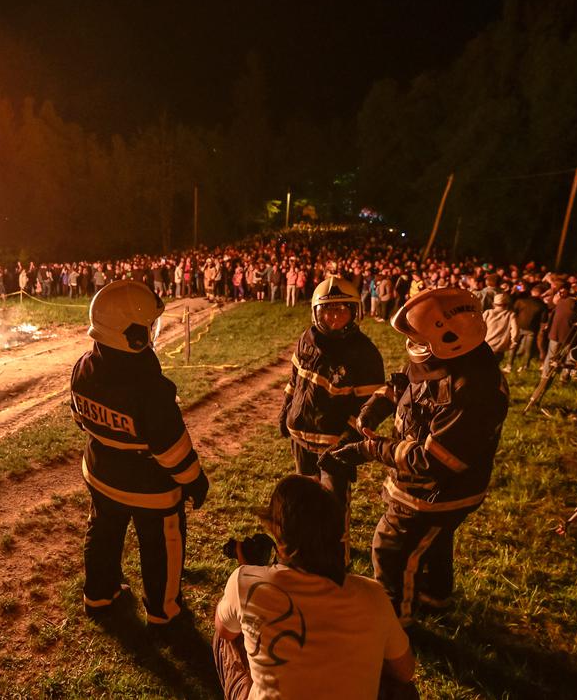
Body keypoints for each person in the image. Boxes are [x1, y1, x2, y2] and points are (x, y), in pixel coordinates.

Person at [322, 287, 510, 625]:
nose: (416, 348)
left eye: (422, 341)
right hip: (435, 490)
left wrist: (368, 449)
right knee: (433, 542)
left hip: (435, 493)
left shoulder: (472, 389)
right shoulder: (447, 359)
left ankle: (394, 625)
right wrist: (373, 408)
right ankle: (434, 598)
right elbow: (406, 385)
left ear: (452, 337)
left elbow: (432, 460)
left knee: (390, 549)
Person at [70, 280, 209, 626]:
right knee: (161, 547)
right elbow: (172, 450)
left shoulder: (83, 367)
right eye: (148, 327)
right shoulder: (152, 390)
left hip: (100, 474)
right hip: (151, 491)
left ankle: (99, 596)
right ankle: (165, 612)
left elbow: (79, 419)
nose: (152, 333)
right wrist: (195, 481)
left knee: (102, 535)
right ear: (130, 335)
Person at [213, 474, 415, 700]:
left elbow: (224, 630)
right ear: (338, 535)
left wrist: (250, 574)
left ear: (278, 534)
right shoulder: (373, 595)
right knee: (402, 688)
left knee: (227, 628)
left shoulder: (245, 583)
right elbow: (405, 671)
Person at [280, 278, 385, 477]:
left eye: (342, 311)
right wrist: (285, 410)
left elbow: (368, 406)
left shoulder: (365, 353)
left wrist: (346, 441)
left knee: (332, 503)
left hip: (334, 447)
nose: (334, 317)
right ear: (316, 313)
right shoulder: (306, 340)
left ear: (354, 312)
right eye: (328, 311)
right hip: (300, 440)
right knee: (305, 498)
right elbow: (295, 380)